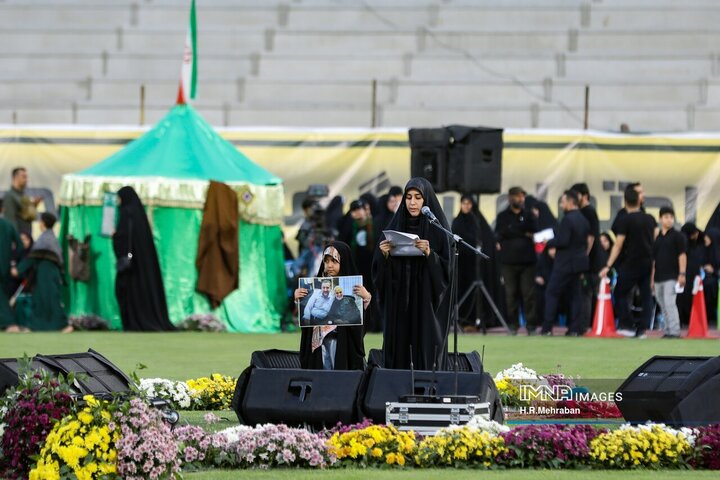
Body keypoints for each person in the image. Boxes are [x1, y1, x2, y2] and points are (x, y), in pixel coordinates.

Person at [373, 177, 451, 371]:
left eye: (418, 197)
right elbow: (377, 273)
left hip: (425, 304)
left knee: (425, 351)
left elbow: (447, 271)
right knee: (397, 351)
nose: (412, 202)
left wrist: (429, 254)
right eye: (408, 197)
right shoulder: (395, 226)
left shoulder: (438, 230)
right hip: (399, 305)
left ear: (427, 201)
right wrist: (384, 255)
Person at [295, 242, 369, 370]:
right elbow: (307, 318)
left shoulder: (353, 292)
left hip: (341, 344)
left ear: (343, 262)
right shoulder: (316, 289)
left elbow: (359, 326)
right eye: (326, 261)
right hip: (319, 345)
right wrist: (299, 299)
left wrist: (366, 298)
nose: (329, 265)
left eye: (334, 261)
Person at [113, 186, 175, 332]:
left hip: (130, 266)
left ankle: (133, 322)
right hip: (142, 265)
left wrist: (115, 236)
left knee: (126, 291)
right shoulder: (138, 214)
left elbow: (123, 238)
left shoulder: (126, 213)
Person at [599, 186, 657, 338]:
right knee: (646, 296)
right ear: (639, 200)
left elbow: (618, 245)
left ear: (625, 201)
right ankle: (643, 329)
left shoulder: (625, 220)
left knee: (620, 292)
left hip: (631, 262)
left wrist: (608, 265)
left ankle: (627, 325)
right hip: (647, 262)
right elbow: (655, 240)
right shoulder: (650, 219)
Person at [541, 190, 590, 336]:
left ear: (570, 202)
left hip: (565, 263)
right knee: (575, 296)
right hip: (579, 263)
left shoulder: (568, 219)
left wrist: (548, 242)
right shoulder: (583, 219)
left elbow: (563, 240)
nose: (561, 205)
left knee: (552, 292)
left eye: (562, 202)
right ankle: (575, 328)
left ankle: (547, 328)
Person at [15, 212, 69, 332]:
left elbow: (33, 257)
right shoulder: (51, 237)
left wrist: (18, 270)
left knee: (49, 299)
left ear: (43, 223)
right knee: (43, 298)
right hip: (47, 272)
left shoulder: (45, 238)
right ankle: (37, 326)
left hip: (46, 273)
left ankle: (63, 325)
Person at [494, 186, 538, 334]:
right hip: (508, 262)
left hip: (527, 262)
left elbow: (534, 229)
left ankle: (531, 326)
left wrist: (513, 230)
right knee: (510, 295)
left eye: (522, 197)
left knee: (528, 295)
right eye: (518, 196)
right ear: (510, 198)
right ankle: (513, 325)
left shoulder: (529, 215)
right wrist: (522, 232)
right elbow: (501, 232)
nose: (521, 199)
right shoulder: (502, 216)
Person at [339, 198, 380, 332]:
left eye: (359, 209)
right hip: (356, 268)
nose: (357, 213)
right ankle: (357, 322)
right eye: (354, 210)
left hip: (372, 267)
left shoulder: (374, 225)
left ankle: (374, 323)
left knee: (373, 294)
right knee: (355, 294)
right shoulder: (349, 227)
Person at [651, 207, 687, 338]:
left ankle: (675, 331)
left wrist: (682, 274)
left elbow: (682, 256)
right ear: (660, 219)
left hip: (672, 276)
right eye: (666, 217)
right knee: (662, 304)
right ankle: (667, 330)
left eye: (671, 217)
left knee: (670, 303)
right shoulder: (657, 238)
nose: (669, 220)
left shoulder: (678, 236)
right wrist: (652, 279)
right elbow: (654, 261)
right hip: (659, 277)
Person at [571, 183, 601, 333]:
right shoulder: (581, 211)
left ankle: (585, 327)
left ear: (584, 195)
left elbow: (591, 237)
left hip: (590, 262)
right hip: (585, 260)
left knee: (586, 294)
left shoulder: (589, 212)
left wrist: (584, 258)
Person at [452, 194, 482, 329]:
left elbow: (478, 238)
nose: (466, 206)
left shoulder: (475, 220)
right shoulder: (456, 221)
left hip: (472, 262)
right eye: (464, 203)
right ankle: (460, 320)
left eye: (469, 203)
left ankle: (471, 321)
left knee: (472, 289)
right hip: (460, 261)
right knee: (460, 289)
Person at [0, 202, 23, 331]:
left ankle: (9, 323)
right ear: (2, 209)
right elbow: (20, 246)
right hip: (5, 267)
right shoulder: (9, 225)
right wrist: (13, 261)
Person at [3, 167, 41, 237]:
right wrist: (15, 238)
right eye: (24, 177)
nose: (26, 180)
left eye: (26, 177)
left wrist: (33, 205)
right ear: (15, 177)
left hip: (26, 237)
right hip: (19, 239)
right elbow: (10, 220)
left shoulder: (23, 195)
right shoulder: (10, 196)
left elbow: (26, 214)